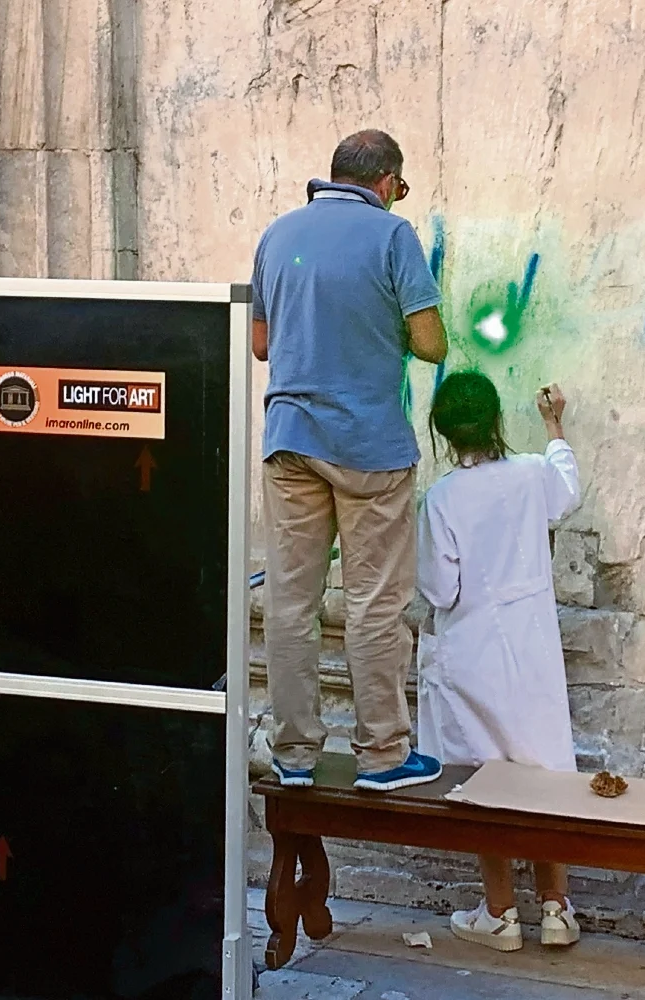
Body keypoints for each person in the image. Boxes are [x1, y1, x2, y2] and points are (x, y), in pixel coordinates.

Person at [251, 129, 448, 793]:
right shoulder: (394, 237)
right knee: (374, 603)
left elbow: (260, 343)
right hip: (369, 450)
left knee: (289, 603)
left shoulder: (278, 235)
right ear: (388, 181)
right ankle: (383, 755)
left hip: (290, 442)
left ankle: (295, 754)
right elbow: (430, 344)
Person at [416, 370, 582, 951]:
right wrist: (553, 421)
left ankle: (501, 912)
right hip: (531, 645)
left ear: (443, 432)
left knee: (485, 780)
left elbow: (440, 590)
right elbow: (567, 487)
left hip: (473, 653)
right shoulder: (531, 474)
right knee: (543, 773)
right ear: (495, 422)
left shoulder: (440, 498)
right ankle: (557, 907)